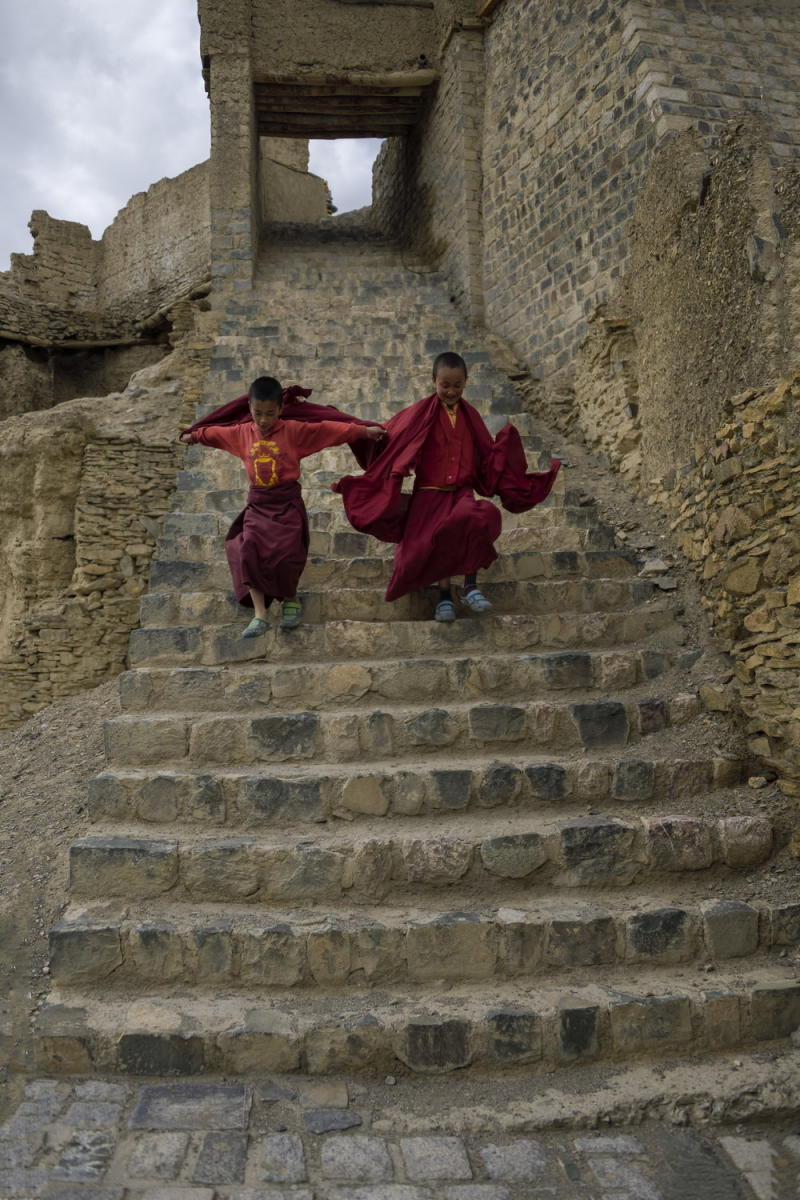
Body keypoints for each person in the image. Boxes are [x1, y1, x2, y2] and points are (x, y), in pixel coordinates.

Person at [333, 351, 561, 621]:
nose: (451, 391)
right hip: (428, 495)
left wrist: (504, 450)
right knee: (431, 543)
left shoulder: (471, 416)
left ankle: (470, 586)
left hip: (462, 492)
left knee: (480, 517)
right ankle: (444, 597)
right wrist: (364, 433)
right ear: (433, 381)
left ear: (465, 382)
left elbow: (485, 454)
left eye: (457, 385)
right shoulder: (420, 413)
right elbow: (396, 436)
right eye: (445, 385)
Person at [180, 377, 385, 635]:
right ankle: (260, 614)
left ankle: (290, 599)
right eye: (257, 413)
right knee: (248, 548)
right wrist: (194, 436)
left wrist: (364, 432)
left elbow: (329, 430)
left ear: (280, 409)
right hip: (259, 505)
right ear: (249, 410)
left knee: (288, 554)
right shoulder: (241, 433)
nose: (263, 420)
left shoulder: (294, 431)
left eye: (269, 413)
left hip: (287, 503)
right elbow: (213, 433)